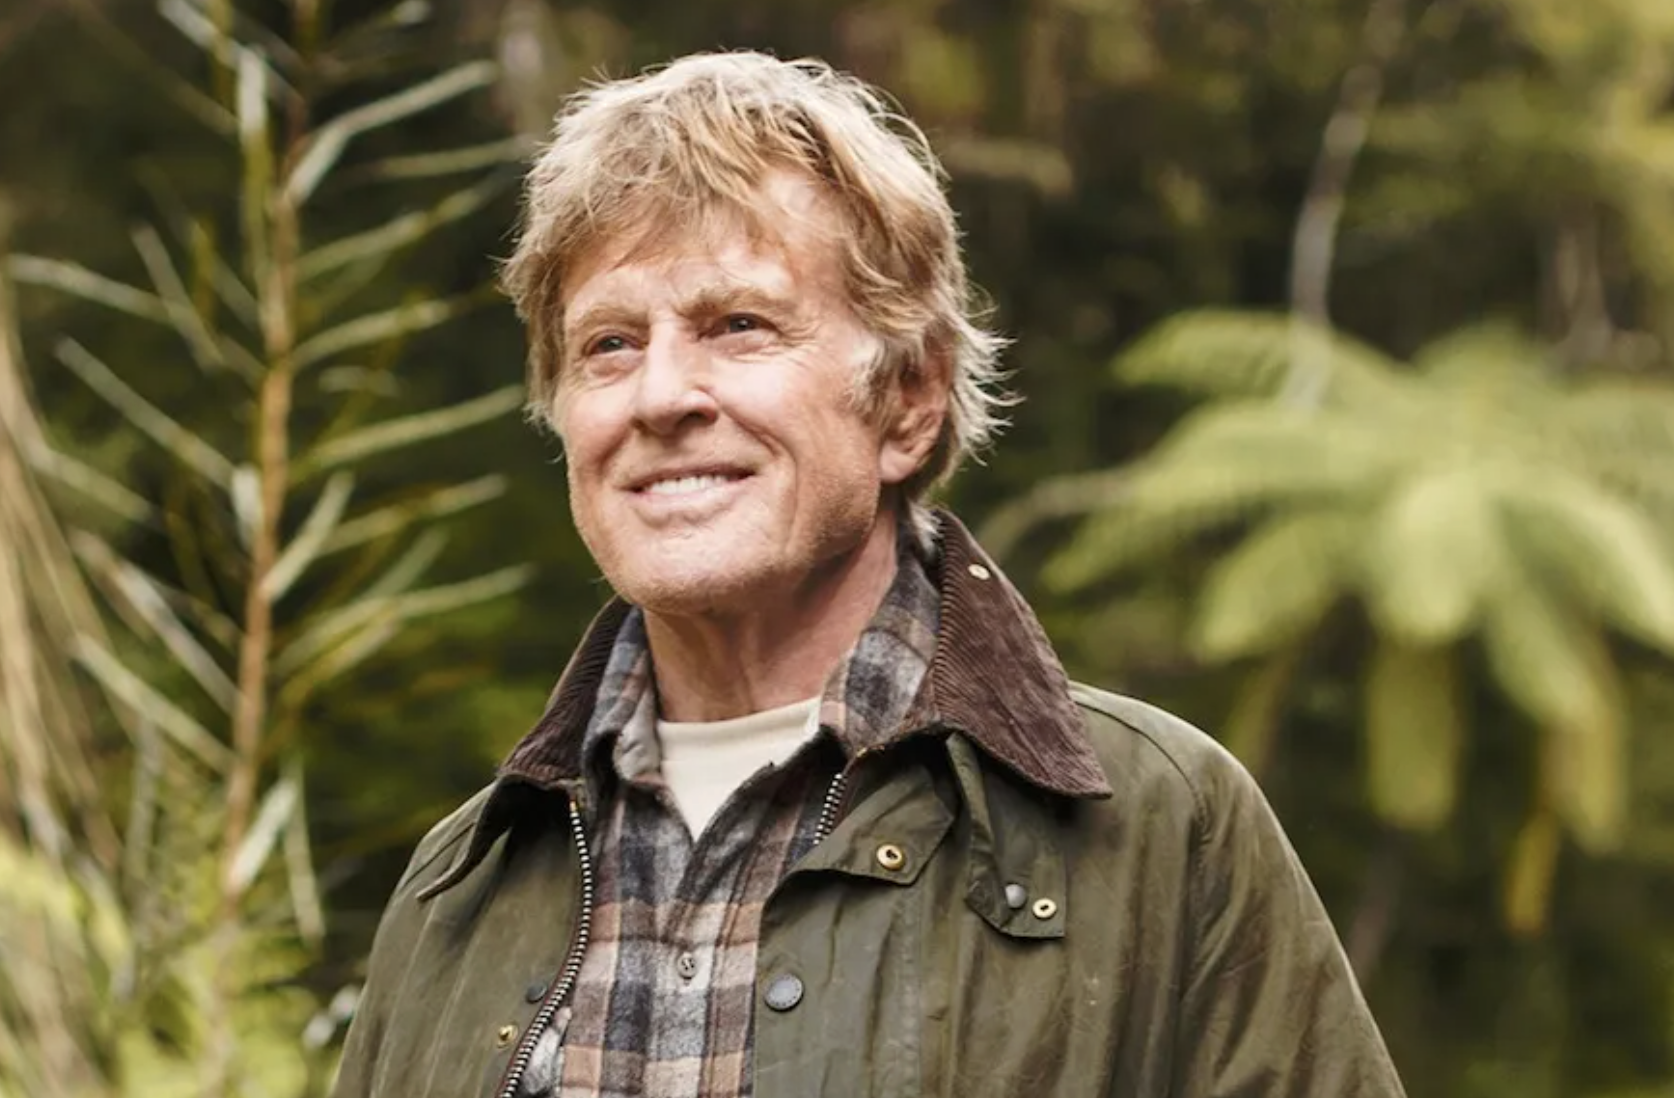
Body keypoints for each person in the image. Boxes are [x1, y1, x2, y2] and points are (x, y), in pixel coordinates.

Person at [331, 51, 1405, 1098]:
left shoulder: (1162, 828)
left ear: (908, 404)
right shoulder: (460, 884)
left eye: (737, 325)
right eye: (608, 344)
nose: (659, 396)